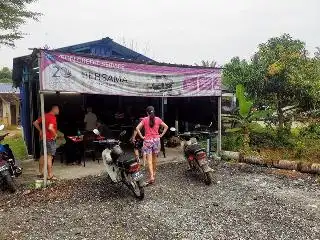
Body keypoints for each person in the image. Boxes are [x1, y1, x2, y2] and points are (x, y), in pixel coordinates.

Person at [136, 106, 168, 185]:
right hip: (156, 141)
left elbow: (137, 128)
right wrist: (161, 135)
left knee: (149, 161)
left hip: (148, 141)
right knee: (154, 159)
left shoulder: (144, 119)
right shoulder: (158, 119)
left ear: (147, 113)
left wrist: (141, 136)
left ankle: (151, 177)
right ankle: (154, 173)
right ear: (154, 111)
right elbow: (166, 127)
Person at [33, 105, 59, 180]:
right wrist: (55, 134)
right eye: (58, 109)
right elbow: (50, 128)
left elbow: (35, 123)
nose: (58, 111)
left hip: (43, 139)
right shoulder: (52, 117)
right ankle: (50, 175)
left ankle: (40, 173)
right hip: (50, 139)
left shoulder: (45, 116)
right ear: (54, 109)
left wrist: (40, 130)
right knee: (49, 157)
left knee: (42, 156)